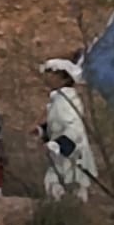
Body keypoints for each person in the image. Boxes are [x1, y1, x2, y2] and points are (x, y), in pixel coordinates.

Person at [37, 58, 99, 201]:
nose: (47, 76)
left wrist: (58, 144)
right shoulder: (59, 99)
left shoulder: (66, 100)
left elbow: (75, 128)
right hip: (63, 156)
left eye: (51, 73)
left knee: (62, 189)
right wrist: (42, 131)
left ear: (63, 78)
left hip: (72, 156)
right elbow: (58, 124)